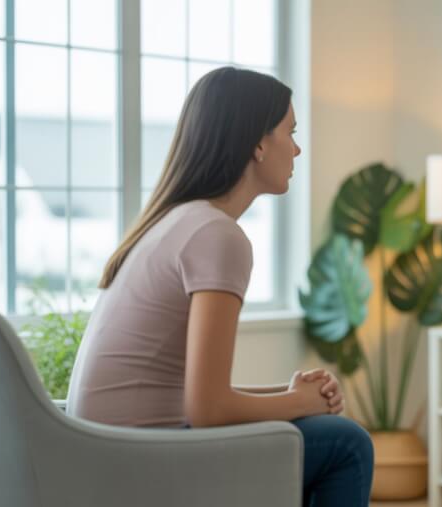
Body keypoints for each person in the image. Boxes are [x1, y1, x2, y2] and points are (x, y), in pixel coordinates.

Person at [66, 67, 374, 506]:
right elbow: (208, 412)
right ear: (258, 144)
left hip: (104, 454)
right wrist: (297, 402)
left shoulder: (176, 222)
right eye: (291, 132)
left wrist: (291, 397)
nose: (298, 148)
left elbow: (194, 397)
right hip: (135, 463)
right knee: (346, 444)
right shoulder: (216, 235)